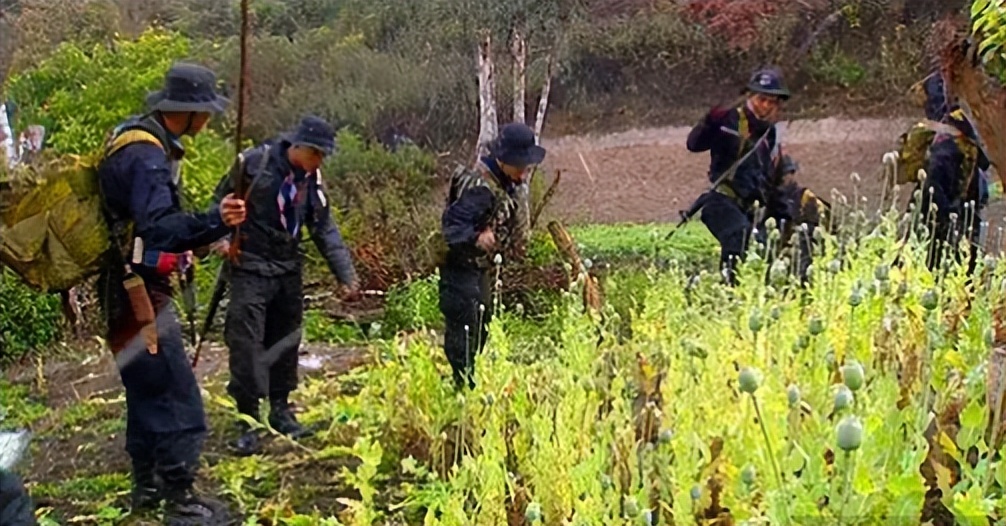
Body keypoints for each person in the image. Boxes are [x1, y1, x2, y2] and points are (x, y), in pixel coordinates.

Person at [95, 62, 244, 524]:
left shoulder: (133, 140)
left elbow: (147, 230)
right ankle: (181, 500)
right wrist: (216, 219)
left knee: (146, 391)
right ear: (190, 111)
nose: (211, 120)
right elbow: (158, 229)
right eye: (207, 112)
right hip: (138, 293)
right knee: (177, 394)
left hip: (121, 286)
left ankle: (147, 489)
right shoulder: (146, 155)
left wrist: (194, 240)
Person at [212, 115, 360, 456]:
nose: (320, 161)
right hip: (249, 265)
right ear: (299, 147)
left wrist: (345, 275)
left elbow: (324, 229)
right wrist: (220, 238)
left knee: (285, 339)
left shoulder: (312, 180)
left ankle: (280, 409)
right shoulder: (252, 163)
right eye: (317, 154)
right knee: (246, 343)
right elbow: (218, 207)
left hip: (288, 268)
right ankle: (248, 419)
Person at [439, 122, 544, 389]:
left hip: (478, 270)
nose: (524, 172)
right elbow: (451, 229)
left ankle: (470, 385)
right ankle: (461, 392)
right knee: (465, 331)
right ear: (504, 159)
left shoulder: (503, 183)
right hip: (460, 270)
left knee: (482, 325)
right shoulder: (479, 187)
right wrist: (477, 237)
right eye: (520, 165)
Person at [686, 68, 788, 285]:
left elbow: (767, 177)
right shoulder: (729, 119)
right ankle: (729, 293)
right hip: (721, 203)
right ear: (750, 96)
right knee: (740, 238)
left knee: (764, 248)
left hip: (749, 207)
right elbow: (694, 145)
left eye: (772, 102)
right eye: (762, 99)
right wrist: (709, 122)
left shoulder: (769, 134)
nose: (766, 106)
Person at [919, 106, 990, 276]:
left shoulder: (944, 152)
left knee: (935, 259)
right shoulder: (957, 152)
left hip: (947, 211)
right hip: (950, 211)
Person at [765, 155, 827, 284]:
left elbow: (822, 223)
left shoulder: (806, 197)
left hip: (802, 250)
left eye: (787, 174)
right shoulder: (771, 198)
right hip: (778, 253)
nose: (784, 179)